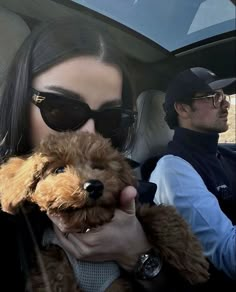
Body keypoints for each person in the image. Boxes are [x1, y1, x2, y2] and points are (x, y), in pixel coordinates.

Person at [0, 16, 193, 292]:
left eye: (111, 119)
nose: (89, 133)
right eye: (61, 108)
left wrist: (138, 253)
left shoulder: (133, 189)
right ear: (20, 99)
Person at [149, 67, 236, 286]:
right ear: (183, 109)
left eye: (223, 96)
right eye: (214, 97)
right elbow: (229, 255)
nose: (225, 104)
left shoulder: (224, 153)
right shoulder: (174, 170)